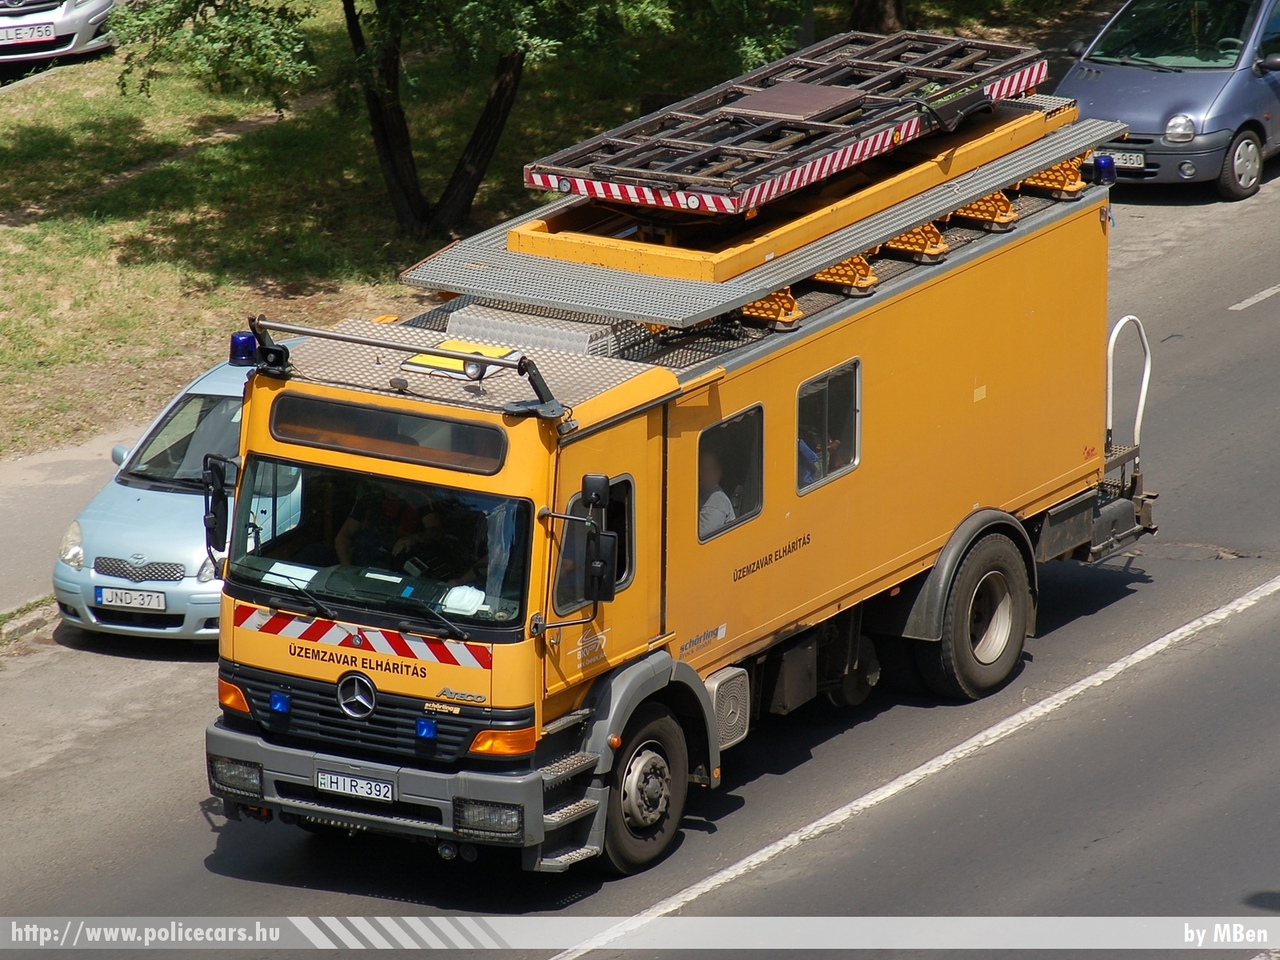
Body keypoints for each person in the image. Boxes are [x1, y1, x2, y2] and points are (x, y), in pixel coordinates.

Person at [334, 490, 419, 567]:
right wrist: (349, 572)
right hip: (361, 566)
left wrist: (414, 538)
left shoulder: (418, 501)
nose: (394, 486)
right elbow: (343, 537)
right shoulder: (368, 501)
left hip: (398, 569)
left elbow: (432, 531)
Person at [698, 447, 735, 539]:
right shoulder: (703, 494)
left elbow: (700, 536)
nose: (700, 473)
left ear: (717, 473)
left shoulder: (715, 502)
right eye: (698, 468)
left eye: (705, 469)